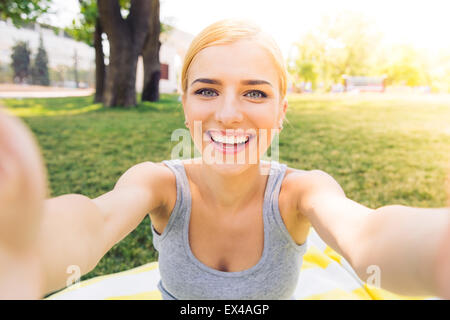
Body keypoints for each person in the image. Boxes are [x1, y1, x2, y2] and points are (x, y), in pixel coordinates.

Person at [0, 19, 449, 300]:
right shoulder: (160, 185)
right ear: (185, 104)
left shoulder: (301, 192)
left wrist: (439, 254)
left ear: (281, 109)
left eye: (255, 92)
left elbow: (369, 234)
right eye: (207, 90)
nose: (229, 114)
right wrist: (21, 250)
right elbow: (93, 221)